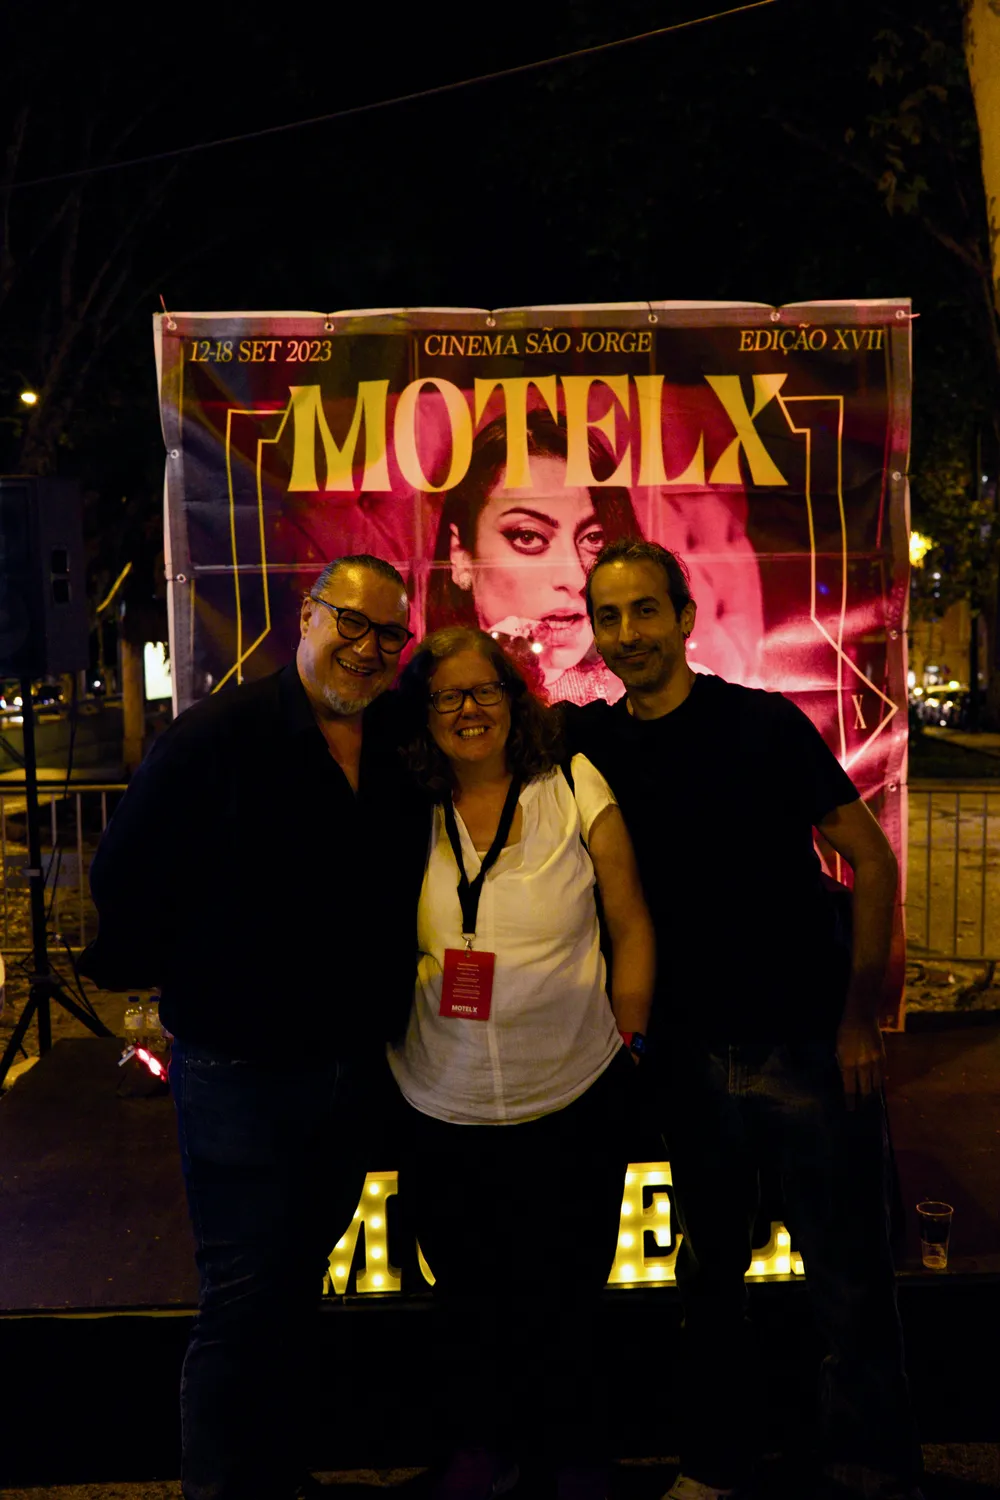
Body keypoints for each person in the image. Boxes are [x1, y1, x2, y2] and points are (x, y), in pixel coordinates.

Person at [562, 538, 923, 1500]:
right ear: (593, 632)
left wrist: (859, 1020)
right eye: (609, 615)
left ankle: (874, 1467)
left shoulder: (764, 726)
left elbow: (871, 863)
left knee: (849, 1276)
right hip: (686, 1055)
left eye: (646, 610)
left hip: (808, 1043)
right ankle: (714, 1463)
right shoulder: (590, 744)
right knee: (708, 1277)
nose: (629, 631)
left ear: (684, 618)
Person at [80, 554, 427, 1500]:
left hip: (352, 1066)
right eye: (349, 623)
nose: (366, 647)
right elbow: (121, 878)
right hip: (240, 1068)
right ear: (306, 617)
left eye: (388, 635)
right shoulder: (217, 739)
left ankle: (274, 1475)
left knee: (293, 1282)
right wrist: (196, 980)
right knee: (241, 1296)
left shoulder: (397, 737)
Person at [389, 624, 656, 1499]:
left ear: (514, 698)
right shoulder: (403, 804)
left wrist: (633, 1041)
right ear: (423, 714)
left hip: (571, 1092)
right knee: (466, 1294)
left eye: (484, 691)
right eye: (446, 696)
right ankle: (481, 1451)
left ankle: (572, 1456)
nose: (468, 711)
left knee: (566, 1291)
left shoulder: (572, 782)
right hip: (441, 1095)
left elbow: (629, 920)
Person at [425, 411, 639, 704]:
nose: (576, 578)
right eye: (528, 537)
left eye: (594, 538)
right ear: (460, 556)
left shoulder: (646, 696)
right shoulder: (424, 703)